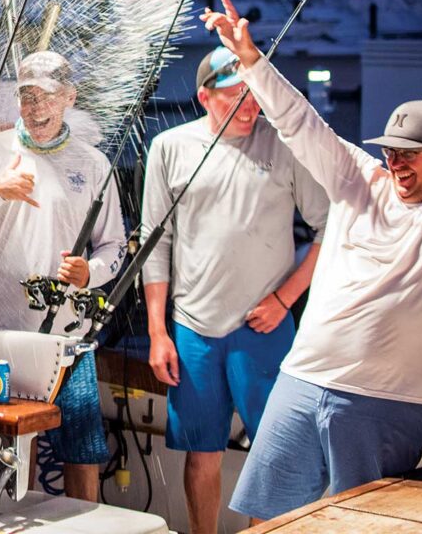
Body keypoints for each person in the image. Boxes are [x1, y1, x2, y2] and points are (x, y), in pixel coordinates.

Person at [200, 0, 422, 523]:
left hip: (387, 402)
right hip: (302, 380)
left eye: (409, 153)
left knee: (363, 526)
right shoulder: (356, 177)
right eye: (390, 150)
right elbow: (297, 120)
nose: (394, 162)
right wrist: (250, 59)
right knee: (267, 516)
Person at [140, 44, 330, 534]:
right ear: (205, 97)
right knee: (201, 455)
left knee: (276, 454)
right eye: (234, 96)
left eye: (253, 95)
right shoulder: (169, 148)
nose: (249, 106)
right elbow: (154, 246)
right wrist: (158, 333)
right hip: (192, 330)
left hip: (263, 327)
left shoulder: (285, 146)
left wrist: (285, 299)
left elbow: (332, 230)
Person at [0, 50, 127, 502]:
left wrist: (91, 273)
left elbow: (116, 248)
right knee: (3, 449)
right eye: (27, 96)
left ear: (69, 97)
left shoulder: (93, 165)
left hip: (70, 337)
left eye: (46, 96)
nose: (36, 107)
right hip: (0, 333)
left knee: (81, 454)